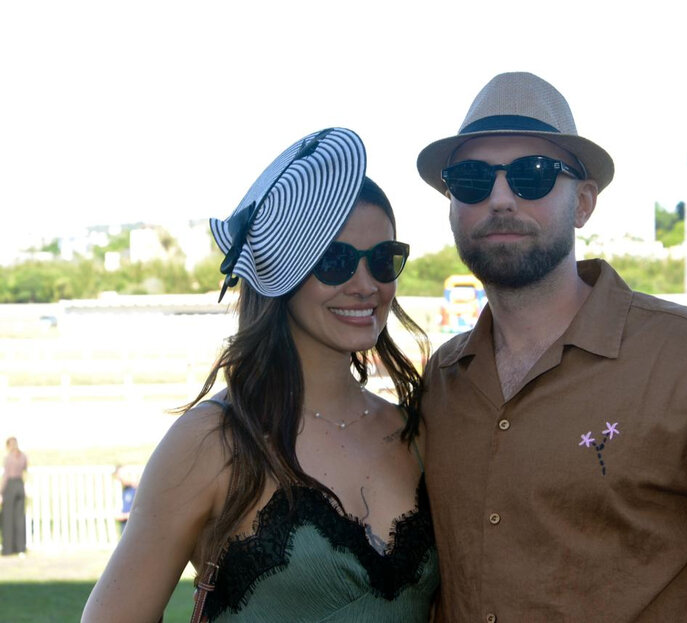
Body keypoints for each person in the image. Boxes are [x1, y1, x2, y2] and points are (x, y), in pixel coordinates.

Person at [416, 72, 687, 622]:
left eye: (532, 176)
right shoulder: (442, 380)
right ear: (451, 205)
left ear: (583, 203)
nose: (499, 198)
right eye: (470, 180)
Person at [83, 128, 438, 622]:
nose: (365, 285)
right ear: (280, 270)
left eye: (384, 260)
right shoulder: (212, 442)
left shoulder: (417, 434)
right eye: (334, 261)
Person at [1, 436, 28, 556]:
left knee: (7, 518)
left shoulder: (9, 458)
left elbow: (6, 476)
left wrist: (0, 491)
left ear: (8, 446)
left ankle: (8, 549)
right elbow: (25, 472)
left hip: (11, 486)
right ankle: (21, 548)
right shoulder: (23, 457)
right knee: (19, 518)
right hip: (20, 486)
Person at [112, 464, 139, 535]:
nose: (120, 481)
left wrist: (124, 516)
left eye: (121, 478)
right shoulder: (126, 490)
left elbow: (140, 512)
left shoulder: (138, 490)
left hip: (135, 529)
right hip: (125, 530)